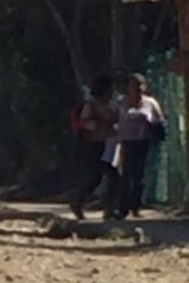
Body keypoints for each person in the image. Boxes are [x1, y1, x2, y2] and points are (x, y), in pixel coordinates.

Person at [69, 76, 118, 220]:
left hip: (109, 146)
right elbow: (85, 123)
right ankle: (77, 200)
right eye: (109, 90)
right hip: (93, 146)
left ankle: (109, 209)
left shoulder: (110, 105)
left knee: (113, 177)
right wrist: (98, 128)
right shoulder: (91, 105)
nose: (111, 92)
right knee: (96, 178)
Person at [116, 73, 164, 219]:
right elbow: (112, 118)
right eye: (133, 85)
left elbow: (159, 121)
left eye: (140, 85)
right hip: (125, 142)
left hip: (143, 142)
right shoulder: (120, 102)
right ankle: (122, 208)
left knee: (139, 176)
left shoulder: (150, 103)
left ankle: (136, 206)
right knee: (125, 175)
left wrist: (153, 129)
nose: (137, 88)